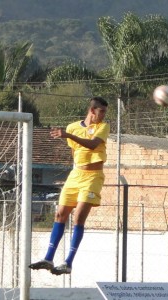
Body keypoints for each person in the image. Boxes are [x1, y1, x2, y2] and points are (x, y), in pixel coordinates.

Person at [29, 96, 109, 275]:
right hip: (76, 175)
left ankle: (68, 263)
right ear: (92, 111)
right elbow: (75, 152)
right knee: (60, 214)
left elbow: (91, 145)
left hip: (93, 176)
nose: (103, 115)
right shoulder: (72, 127)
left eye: (105, 112)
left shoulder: (103, 127)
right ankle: (48, 258)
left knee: (79, 217)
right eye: (101, 111)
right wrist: (69, 136)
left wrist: (68, 135)